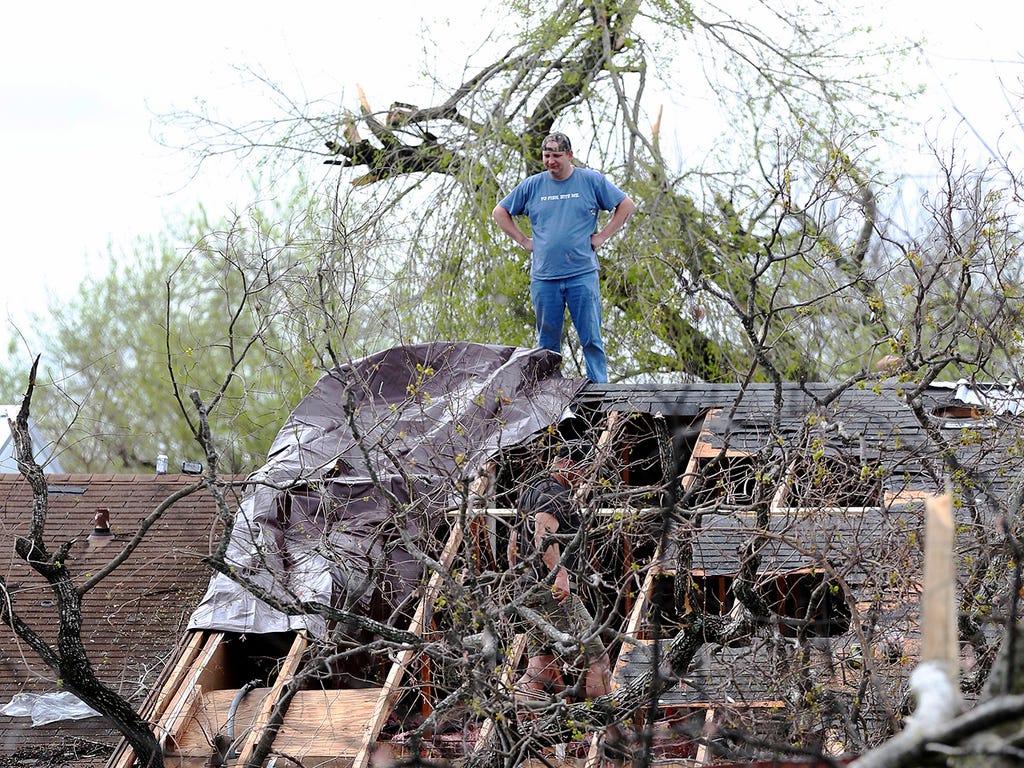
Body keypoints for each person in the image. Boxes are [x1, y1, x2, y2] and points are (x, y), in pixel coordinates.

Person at [493, 132, 636, 383]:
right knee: (547, 342)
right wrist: (524, 241)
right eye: (546, 156)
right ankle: (548, 391)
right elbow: (500, 211)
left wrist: (601, 237)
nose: (550, 161)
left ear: (569, 156)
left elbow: (626, 205)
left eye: (556, 156)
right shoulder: (532, 185)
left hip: (581, 274)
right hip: (545, 277)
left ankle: (599, 389)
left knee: (591, 337)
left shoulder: (590, 181)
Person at [507, 443, 612, 701]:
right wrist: (561, 577)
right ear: (566, 464)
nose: (585, 477)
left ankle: (513, 723)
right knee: (598, 660)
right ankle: (605, 734)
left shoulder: (530, 491)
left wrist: (519, 582)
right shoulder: (556, 494)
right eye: (584, 470)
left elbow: (512, 545)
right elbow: (542, 537)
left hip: (530, 590)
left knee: (539, 667)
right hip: (553, 592)